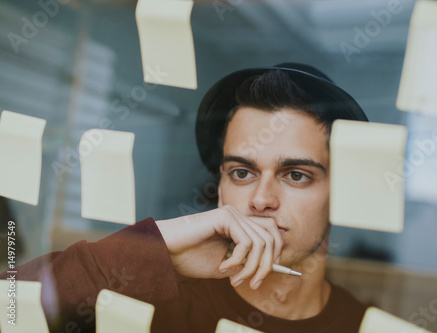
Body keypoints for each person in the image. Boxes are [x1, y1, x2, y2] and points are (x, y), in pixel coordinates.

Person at [1, 63, 369, 333]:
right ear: (221, 186)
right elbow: (9, 309)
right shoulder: (145, 308)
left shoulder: (366, 326)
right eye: (242, 172)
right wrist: (152, 249)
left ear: (340, 195)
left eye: (296, 175)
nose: (260, 199)